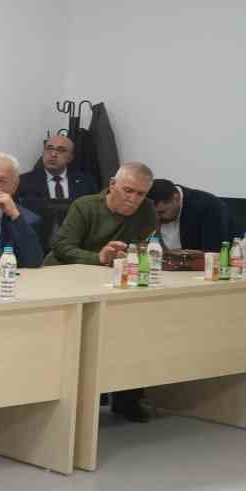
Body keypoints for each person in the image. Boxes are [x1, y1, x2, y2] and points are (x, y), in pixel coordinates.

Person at [49, 161, 159, 422]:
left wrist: (134, 254)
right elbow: (62, 247)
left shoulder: (147, 210)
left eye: (141, 194)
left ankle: (127, 398)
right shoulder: (85, 206)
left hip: (115, 281)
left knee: (135, 329)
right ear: (112, 185)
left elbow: (147, 245)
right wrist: (98, 257)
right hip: (69, 277)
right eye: (128, 190)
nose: (133, 199)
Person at [147, 179, 231, 252]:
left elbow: (212, 252)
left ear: (175, 198)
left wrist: (173, 253)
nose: (157, 218)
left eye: (161, 212)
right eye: (153, 214)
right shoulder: (144, 203)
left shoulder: (210, 206)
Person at [18, 134, 98, 202]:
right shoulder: (23, 182)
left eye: (60, 150)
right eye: (49, 148)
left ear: (71, 157)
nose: (53, 154)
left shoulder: (86, 183)